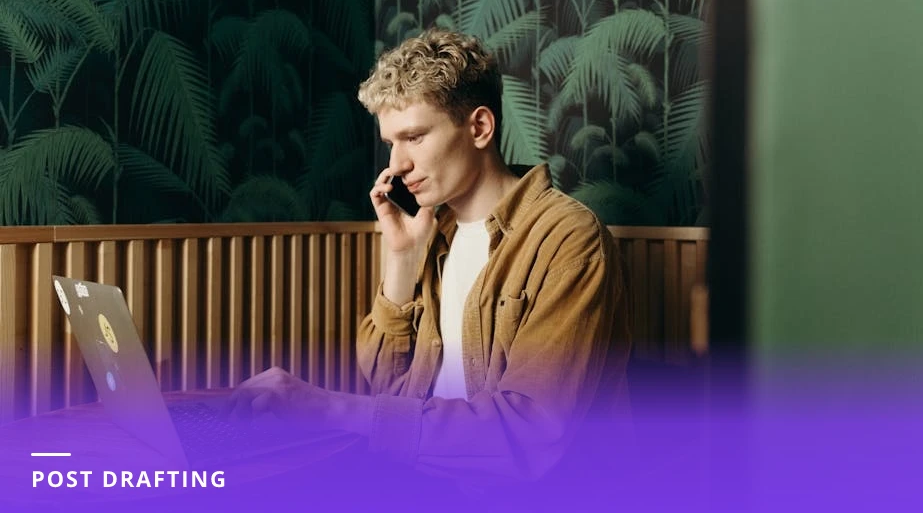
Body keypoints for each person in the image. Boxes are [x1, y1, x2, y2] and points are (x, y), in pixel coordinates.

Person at [226, 28, 630, 484]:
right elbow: (387, 386)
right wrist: (401, 258)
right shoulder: (435, 233)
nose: (396, 164)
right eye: (390, 142)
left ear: (479, 127)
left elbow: (525, 433)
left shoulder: (567, 239)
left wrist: (325, 406)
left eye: (414, 137)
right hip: (417, 479)